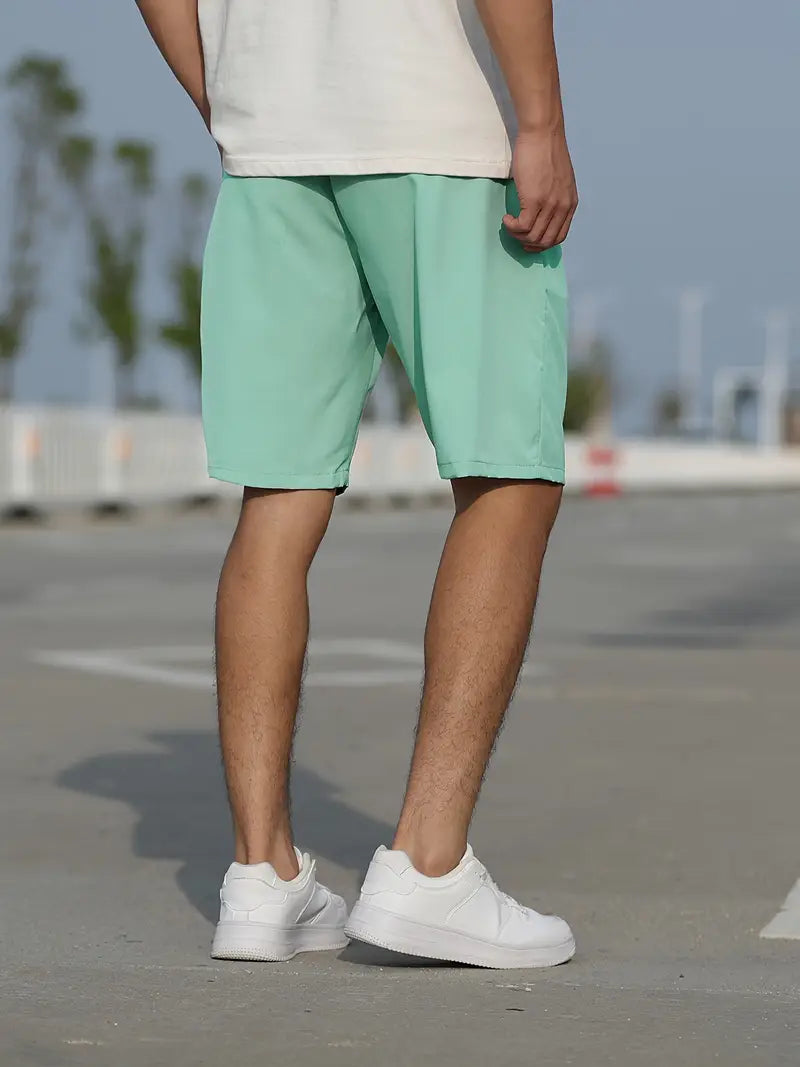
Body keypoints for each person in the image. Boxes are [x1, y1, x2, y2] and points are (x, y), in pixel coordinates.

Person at [136, 0, 578, 969]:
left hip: (272, 146)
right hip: (439, 124)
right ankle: (428, 865)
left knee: (278, 493)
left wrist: (233, 99)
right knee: (508, 474)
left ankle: (261, 874)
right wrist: (540, 121)